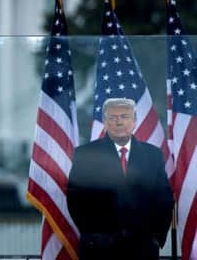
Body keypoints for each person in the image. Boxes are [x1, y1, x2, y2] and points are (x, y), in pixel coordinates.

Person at [66, 98, 173, 260]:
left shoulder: (153, 155)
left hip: (143, 248)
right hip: (98, 250)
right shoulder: (85, 155)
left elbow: (163, 200)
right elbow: (76, 200)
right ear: (105, 122)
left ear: (135, 121)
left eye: (124, 116)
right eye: (112, 118)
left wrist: (155, 237)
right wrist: (94, 237)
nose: (118, 122)